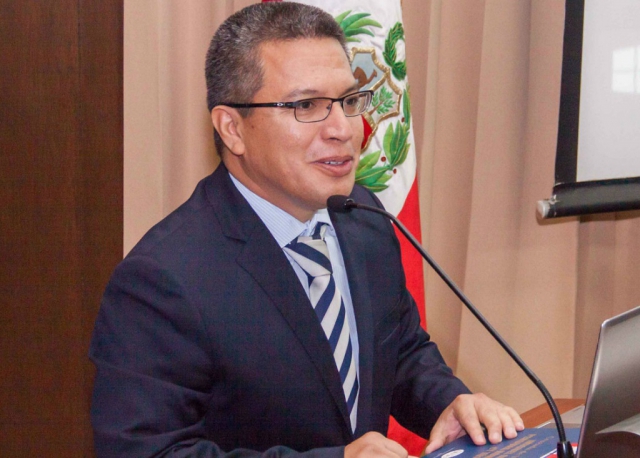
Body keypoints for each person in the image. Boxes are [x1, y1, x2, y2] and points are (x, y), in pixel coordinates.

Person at [89, 3, 524, 457]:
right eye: (306, 106)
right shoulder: (162, 281)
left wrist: (448, 403)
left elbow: (400, 354)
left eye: (349, 101)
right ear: (232, 128)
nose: (344, 129)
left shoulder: (364, 218)